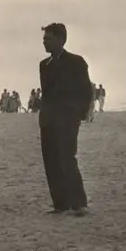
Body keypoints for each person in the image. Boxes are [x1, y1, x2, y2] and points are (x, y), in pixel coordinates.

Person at [39, 23, 92, 216]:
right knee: (50, 161)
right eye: (44, 39)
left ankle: (79, 203)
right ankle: (60, 203)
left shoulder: (76, 62)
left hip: (67, 119)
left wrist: (79, 113)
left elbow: (86, 90)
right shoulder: (44, 65)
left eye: (48, 38)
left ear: (61, 40)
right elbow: (46, 94)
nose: (44, 42)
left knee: (67, 158)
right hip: (48, 120)